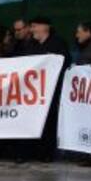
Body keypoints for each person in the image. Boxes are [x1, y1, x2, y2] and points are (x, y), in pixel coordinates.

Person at [15, 17, 70, 163]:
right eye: (31, 27)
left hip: (50, 91)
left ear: (45, 27)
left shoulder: (58, 43)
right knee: (28, 120)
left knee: (48, 121)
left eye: (34, 26)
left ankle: (46, 154)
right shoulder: (30, 45)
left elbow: (64, 63)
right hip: (32, 92)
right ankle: (25, 153)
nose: (32, 30)